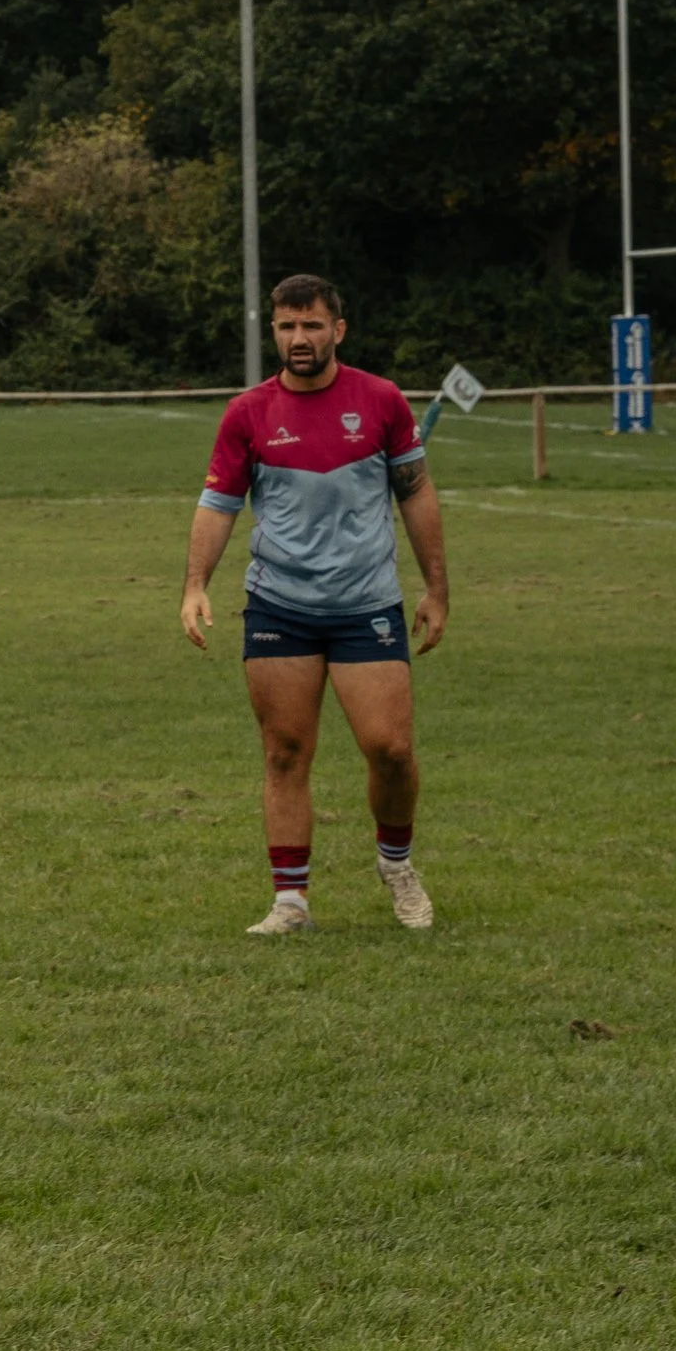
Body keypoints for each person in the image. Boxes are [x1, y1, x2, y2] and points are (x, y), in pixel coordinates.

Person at [178, 273, 449, 934]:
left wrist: (437, 587)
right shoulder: (248, 413)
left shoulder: (381, 401)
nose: (299, 338)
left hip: (366, 605)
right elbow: (218, 504)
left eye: (312, 325)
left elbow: (415, 494)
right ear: (273, 330)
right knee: (284, 751)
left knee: (389, 748)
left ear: (338, 330)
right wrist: (194, 584)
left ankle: (396, 862)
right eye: (287, 326)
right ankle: (290, 901)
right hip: (279, 606)